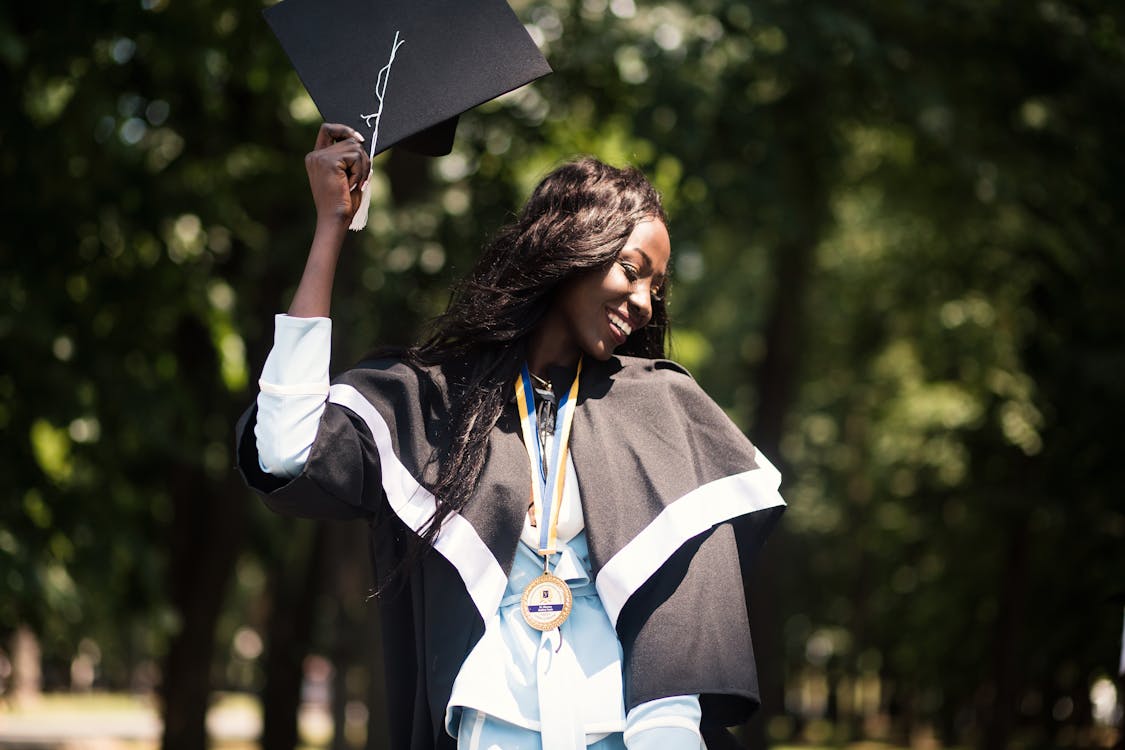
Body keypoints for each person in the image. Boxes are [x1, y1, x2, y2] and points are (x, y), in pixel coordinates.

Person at [235, 123, 785, 750]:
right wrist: (330, 227)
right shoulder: (435, 402)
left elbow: (686, 620)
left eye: (656, 288)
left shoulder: (664, 410)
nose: (643, 303)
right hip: (488, 728)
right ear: (573, 247)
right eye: (632, 271)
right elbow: (285, 448)